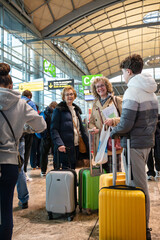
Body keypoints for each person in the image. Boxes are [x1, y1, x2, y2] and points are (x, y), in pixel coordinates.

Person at [110, 54, 158, 240]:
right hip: (146, 143)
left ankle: (141, 226)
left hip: (133, 145)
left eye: (123, 72)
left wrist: (114, 131)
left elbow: (126, 124)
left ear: (128, 71)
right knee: (139, 183)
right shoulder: (150, 90)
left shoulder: (132, 91)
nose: (123, 76)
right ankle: (140, 223)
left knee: (138, 186)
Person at [0, 63, 46, 240]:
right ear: (11, 86)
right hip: (10, 163)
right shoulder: (21, 103)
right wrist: (24, 128)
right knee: (5, 209)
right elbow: (41, 125)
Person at [89, 76, 122, 172]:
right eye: (97, 87)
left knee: (114, 171)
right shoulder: (95, 103)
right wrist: (93, 128)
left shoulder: (116, 100)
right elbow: (91, 122)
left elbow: (125, 119)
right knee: (103, 171)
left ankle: (115, 187)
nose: (100, 88)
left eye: (102, 85)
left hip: (112, 140)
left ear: (107, 86)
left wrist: (114, 121)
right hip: (99, 141)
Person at [50, 86, 89, 169]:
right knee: (66, 171)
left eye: (71, 94)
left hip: (76, 146)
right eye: (67, 94)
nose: (69, 96)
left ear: (74, 96)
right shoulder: (58, 110)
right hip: (64, 147)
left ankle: (73, 182)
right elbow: (54, 129)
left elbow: (80, 129)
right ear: (63, 97)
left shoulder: (76, 110)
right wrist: (59, 144)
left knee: (73, 169)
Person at [21, 90, 37, 181]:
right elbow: (35, 117)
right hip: (27, 132)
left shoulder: (17, 102)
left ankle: (18, 173)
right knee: (26, 152)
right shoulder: (31, 103)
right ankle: (24, 173)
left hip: (17, 131)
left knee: (18, 152)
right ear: (30, 96)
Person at [39, 101, 57, 177]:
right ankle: (56, 169)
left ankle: (43, 171)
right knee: (55, 154)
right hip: (53, 137)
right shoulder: (55, 113)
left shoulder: (44, 113)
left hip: (45, 137)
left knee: (44, 154)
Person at [147, 114, 160, 181]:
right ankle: (150, 173)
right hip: (147, 132)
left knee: (158, 153)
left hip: (157, 131)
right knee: (148, 154)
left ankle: (158, 169)